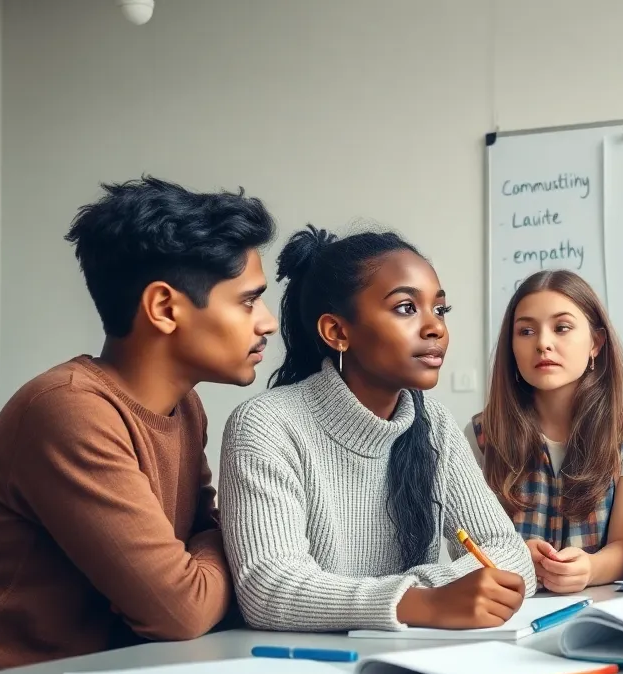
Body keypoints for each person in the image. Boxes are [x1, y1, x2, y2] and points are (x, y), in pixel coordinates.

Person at [0, 177, 276, 671]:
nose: (267, 323)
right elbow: (179, 611)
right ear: (164, 308)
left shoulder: (185, 407)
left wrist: (211, 547)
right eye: (248, 301)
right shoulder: (69, 410)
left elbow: (203, 538)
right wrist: (240, 542)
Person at [218, 226, 535, 633]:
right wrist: (423, 602)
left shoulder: (434, 425)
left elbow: (509, 553)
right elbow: (269, 590)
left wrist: (426, 596)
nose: (436, 328)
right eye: (406, 308)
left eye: (440, 310)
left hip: (408, 655)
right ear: (337, 332)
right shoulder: (266, 425)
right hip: (303, 663)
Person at [469, 270, 623, 594]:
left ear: (596, 343)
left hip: (596, 606)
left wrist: (589, 569)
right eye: (526, 331)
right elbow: (470, 547)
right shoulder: (483, 434)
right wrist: (513, 557)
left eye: (561, 328)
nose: (543, 343)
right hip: (511, 608)